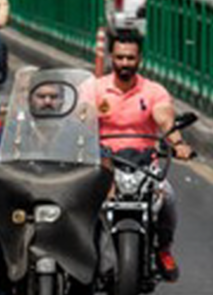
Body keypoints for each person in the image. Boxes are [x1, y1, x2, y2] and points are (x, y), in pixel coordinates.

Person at [0, 81, 106, 295]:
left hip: (65, 201)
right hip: (20, 201)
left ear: (63, 101)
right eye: (41, 96)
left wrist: (101, 185)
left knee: (95, 225)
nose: (47, 102)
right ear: (30, 100)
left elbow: (98, 161)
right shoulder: (12, 130)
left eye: (53, 97)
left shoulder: (78, 131)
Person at [82, 33, 193, 280]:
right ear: (111, 58)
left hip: (143, 166)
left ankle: (163, 249)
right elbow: (80, 118)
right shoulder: (94, 89)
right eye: (120, 57)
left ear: (139, 59)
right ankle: (83, 256)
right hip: (103, 165)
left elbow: (165, 121)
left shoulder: (153, 91)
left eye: (130, 58)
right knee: (80, 204)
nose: (125, 63)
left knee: (168, 198)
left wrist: (178, 144)